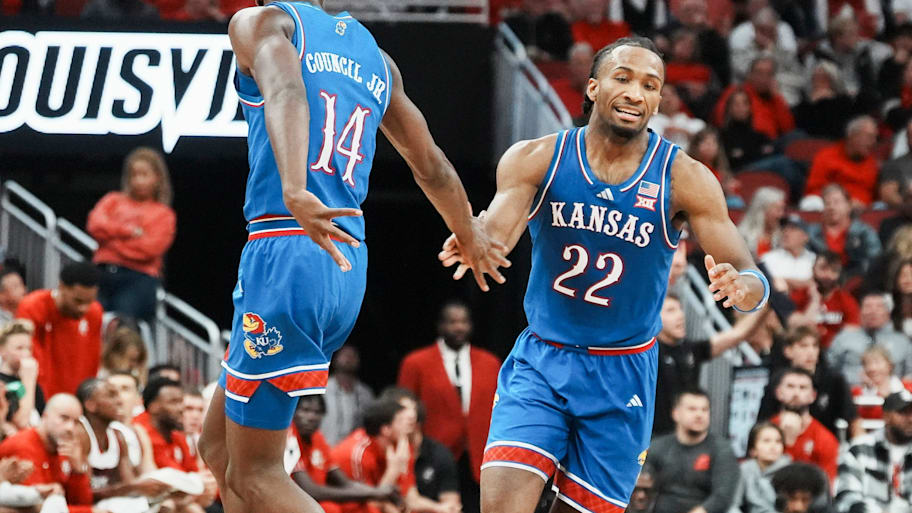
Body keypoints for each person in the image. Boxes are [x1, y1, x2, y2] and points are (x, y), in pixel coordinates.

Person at [197, 1, 508, 512]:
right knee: (218, 449)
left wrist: (296, 187)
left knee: (257, 474)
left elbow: (287, 90)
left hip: (290, 246)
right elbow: (427, 163)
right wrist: (467, 230)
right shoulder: (374, 56)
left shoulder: (261, 22)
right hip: (344, 257)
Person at [439, 36, 770, 513]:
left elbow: (749, 273)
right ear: (593, 87)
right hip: (543, 360)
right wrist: (475, 241)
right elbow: (497, 233)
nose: (636, 92)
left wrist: (745, 289)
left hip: (623, 374)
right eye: (623, 78)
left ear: (659, 101)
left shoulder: (685, 178)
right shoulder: (536, 157)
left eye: (650, 85)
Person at [398, 300, 500, 510]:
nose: (459, 327)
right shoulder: (416, 362)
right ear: (440, 325)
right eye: (452, 322)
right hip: (433, 455)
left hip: (479, 457)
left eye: (463, 321)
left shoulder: (490, 363)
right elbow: (402, 410)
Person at [654, 293, 771, 435]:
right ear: (653, 317)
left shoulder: (689, 350)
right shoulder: (646, 354)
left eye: (680, 309)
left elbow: (737, 334)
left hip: (688, 437)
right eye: (671, 310)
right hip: (654, 438)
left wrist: (765, 303)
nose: (680, 315)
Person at [87, 147, 176, 323]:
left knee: (123, 327)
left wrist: (109, 243)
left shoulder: (164, 214)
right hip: (102, 273)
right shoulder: (112, 200)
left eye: (144, 175)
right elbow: (94, 224)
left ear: (157, 178)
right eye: (134, 175)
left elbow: (149, 250)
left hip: (139, 279)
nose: (138, 181)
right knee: (88, 320)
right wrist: (127, 232)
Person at [287, 395, 399, 513]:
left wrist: (378, 492)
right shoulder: (289, 437)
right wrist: (375, 493)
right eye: (305, 410)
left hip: (316, 503)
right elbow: (310, 490)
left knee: (362, 507)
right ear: (293, 412)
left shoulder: (318, 438)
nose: (311, 417)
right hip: (291, 503)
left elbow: (345, 482)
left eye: (317, 412)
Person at [74, 378, 170, 511]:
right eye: (111, 395)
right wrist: (134, 487)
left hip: (108, 505)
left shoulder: (118, 436)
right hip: (83, 507)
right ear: (91, 405)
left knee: (164, 506)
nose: (119, 401)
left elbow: (127, 483)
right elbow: (83, 496)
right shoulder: (80, 434)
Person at [15, 263, 103, 398]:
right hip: (40, 397)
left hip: (77, 400)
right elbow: (30, 359)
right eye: (78, 301)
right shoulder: (33, 307)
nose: (83, 308)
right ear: (62, 286)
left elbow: (92, 363)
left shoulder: (94, 312)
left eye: (89, 301)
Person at [0, 394, 98, 513]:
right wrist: (90, 512)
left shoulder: (64, 447)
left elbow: (82, 502)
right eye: (64, 418)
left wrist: (77, 471)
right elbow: (35, 508)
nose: (70, 428)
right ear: (45, 416)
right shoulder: (22, 445)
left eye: (76, 422)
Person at [647, 389, 741, 513]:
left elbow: (722, 497)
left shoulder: (721, 449)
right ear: (675, 413)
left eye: (704, 410)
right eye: (692, 409)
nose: (699, 415)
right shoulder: (657, 446)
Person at [757, 326, 859, 438]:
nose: (810, 352)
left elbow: (853, 420)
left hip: (827, 443)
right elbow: (763, 423)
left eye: (814, 346)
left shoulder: (834, 380)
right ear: (788, 351)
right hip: (783, 444)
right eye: (803, 346)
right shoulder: (777, 380)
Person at [330, 398, 417, 513]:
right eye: (401, 421)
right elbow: (369, 503)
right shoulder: (358, 454)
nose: (407, 425)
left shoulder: (399, 446)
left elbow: (404, 497)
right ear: (386, 429)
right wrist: (393, 470)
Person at [836, 390, 912, 512]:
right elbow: (846, 496)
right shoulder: (859, 449)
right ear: (886, 416)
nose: (910, 419)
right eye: (903, 413)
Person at [828, 292, 912, 386]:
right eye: (868, 306)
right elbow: (829, 370)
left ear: (888, 312)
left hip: (893, 395)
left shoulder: (902, 341)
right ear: (860, 311)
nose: (873, 311)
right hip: (850, 393)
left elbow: (910, 373)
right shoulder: (844, 338)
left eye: (879, 307)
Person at [770, 368, 839, 482]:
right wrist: (786, 441)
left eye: (803, 388)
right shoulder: (764, 431)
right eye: (790, 386)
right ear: (778, 392)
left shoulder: (825, 439)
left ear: (813, 396)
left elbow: (827, 487)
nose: (796, 393)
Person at [803, 117, 881, 209]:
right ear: (852, 136)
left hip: (864, 212)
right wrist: (844, 202)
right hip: (831, 207)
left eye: (875, 138)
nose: (873, 142)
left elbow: (877, 196)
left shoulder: (873, 163)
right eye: (869, 137)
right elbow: (813, 189)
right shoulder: (826, 157)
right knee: (811, 202)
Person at [788, 251, 860, 348]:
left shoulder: (847, 300)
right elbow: (794, 328)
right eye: (823, 269)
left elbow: (852, 332)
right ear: (813, 269)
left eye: (834, 271)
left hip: (835, 350)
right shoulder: (797, 296)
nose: (827, 275)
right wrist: (814, 301)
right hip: (802, 349)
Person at [730, 422, 792, 513]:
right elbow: (732, 505)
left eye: (778, 441)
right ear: (753, 450)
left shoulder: (791, 471)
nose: (773, 446)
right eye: (766, 441)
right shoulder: (745, 469)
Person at [322, 346, 374, 446]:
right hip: (326, 449)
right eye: (345, 355)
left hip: (353, 453)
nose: (349, 359)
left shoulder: (366, 394)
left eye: (353, 356)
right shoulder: (323, 389)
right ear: (335, 358)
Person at [0, 319, 43, 429]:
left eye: (29, 348)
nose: (26, 353)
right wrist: (28, 380)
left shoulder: (34, 384)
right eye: (19, 348)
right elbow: (21, 422)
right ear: (2, 350)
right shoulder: (2, 383)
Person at [738, 187, 786, 259]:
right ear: (762, 210)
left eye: (783, 209)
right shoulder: (742, 236)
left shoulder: (783, 236)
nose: (781, 215)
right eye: (778, 209)